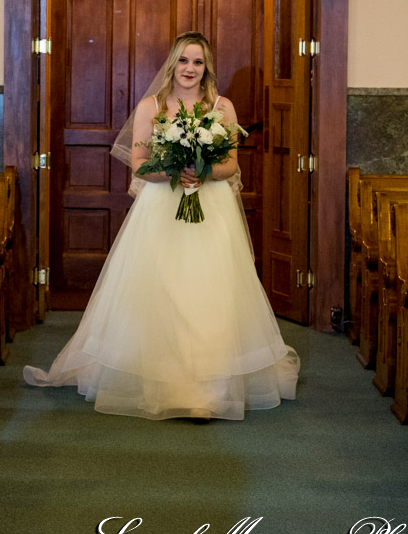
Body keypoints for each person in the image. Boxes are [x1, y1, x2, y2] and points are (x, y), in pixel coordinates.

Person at [24, 31, 299, 420]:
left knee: (209, 292)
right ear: (173, 63)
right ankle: (160, 381)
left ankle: (210, 388)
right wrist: (176, 167)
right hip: (161, 210)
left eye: (198, 62)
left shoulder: (223, 107)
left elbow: (232, 165)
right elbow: (139, 166)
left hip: (211, 209)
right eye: (184, 61)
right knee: (161, 289)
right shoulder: (150, 106)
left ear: (207, 68)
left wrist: (203, 172)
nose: (190, 69)